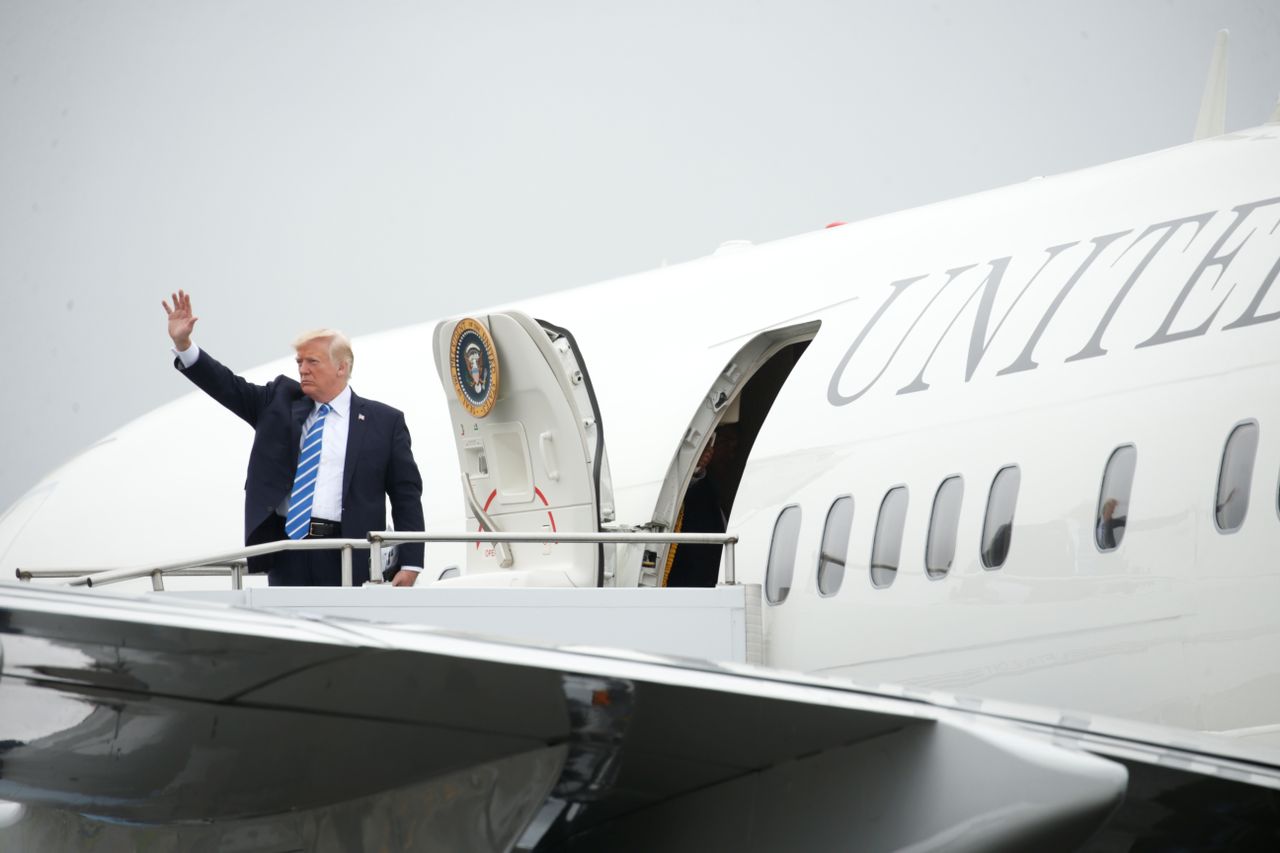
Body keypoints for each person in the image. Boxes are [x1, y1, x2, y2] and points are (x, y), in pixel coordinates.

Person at [162, 290, 425, 586]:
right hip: (287, 550)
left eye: (312, 361)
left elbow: (406, 496)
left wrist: (411, 561)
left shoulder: (385, 422)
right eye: (299, 361)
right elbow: (227, 386)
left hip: (347, 551)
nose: (302, 369)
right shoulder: (278, 403)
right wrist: (184, 345)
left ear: (342, 366)